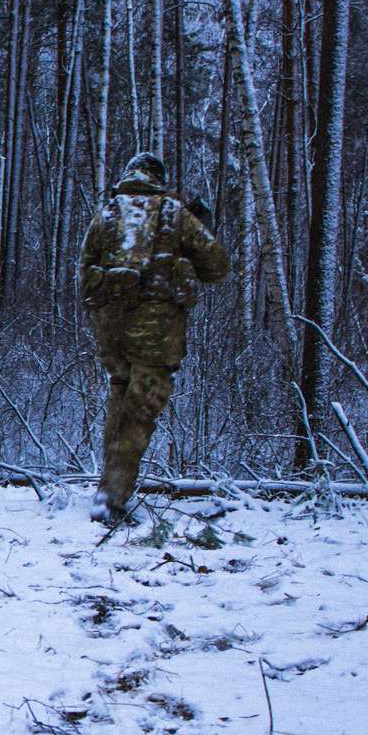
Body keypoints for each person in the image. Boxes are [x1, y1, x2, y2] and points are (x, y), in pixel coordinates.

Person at [79, 152, 229, 527]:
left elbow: (85, 269)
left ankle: (109, 488)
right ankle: (111, 498)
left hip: (110, 328)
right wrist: (199, 226)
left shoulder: (108, 212)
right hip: (155, 329)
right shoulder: (173, 213)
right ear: (158, 178)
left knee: (122, 397)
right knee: (142, 407)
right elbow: (218, 266)